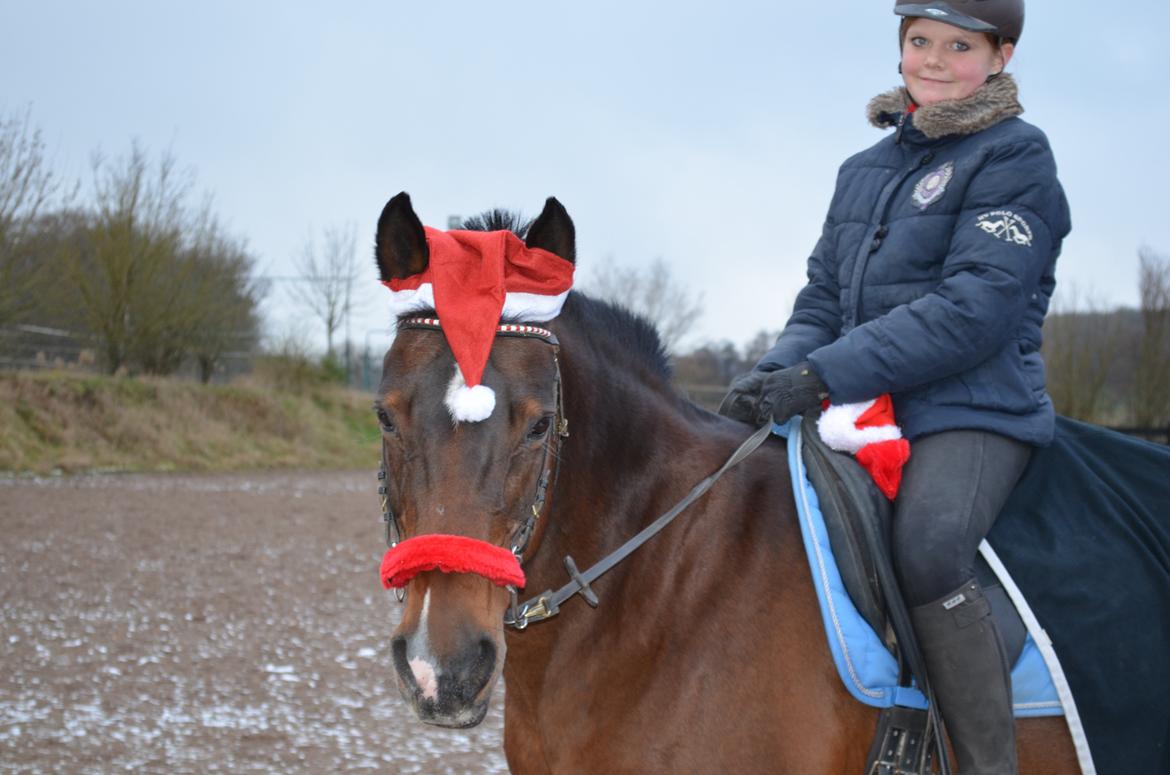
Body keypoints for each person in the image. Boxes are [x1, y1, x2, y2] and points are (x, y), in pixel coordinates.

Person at [719, 2, 1070, 773]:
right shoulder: (863, 172)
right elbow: (822, 299)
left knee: (929, 544)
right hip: (859, 403)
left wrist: (824, 374)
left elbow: (971, 311)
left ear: (1001, 55)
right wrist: (775, 373)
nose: (934, 61)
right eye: (919, 42)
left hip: (972, 410)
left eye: (959, 45)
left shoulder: (1017, 158)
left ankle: (984, 760)